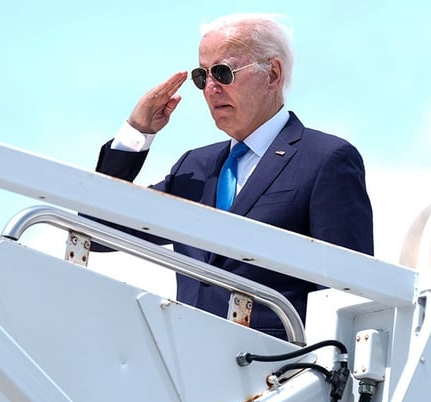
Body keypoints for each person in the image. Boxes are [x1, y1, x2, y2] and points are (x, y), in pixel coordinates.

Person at [94, 13, 373, 341]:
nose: (211, 88)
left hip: (277, 374)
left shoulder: (325, 159)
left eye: (223, 72)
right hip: (184, 366)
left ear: (272, 73)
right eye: (202, 76)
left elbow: (348, 292)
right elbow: (99, 231)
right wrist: (137, 133)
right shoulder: (195, 166)